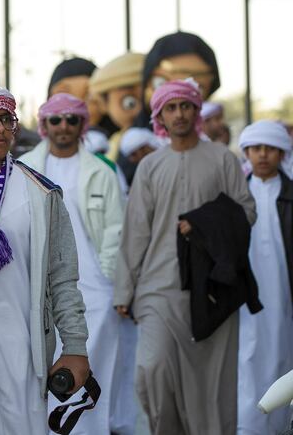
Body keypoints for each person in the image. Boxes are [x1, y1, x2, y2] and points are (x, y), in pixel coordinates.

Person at [0, 84, 89, 434]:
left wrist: (75, 346)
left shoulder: (40, 193)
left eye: (6, 119)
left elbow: (62, 276)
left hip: (23, 351)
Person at [115, 80, 256, 434]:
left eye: (186, 106)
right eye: (171, 107)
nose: (180, 113)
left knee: (212, 383)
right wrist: (124, 290)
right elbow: (135, 232)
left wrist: (203, 224)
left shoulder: (222, 158)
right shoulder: (150, 166)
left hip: (212, 287)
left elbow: (246, 211)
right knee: (153, 370)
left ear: (197, 111)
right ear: (159, 115)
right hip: (158, 287)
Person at [20, 93, 126, 434]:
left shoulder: (102, 171)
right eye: (56, 120)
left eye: (72, 119)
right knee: (41, 367)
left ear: (82, 125)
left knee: (92, 369)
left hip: (95, 287)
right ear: (44, 125)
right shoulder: (24, 168)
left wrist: (113, 279)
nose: (63, 126)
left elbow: (116, 229)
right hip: (41, 286)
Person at [237, 120, 293, 435]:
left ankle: (282, 425)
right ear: (246, 152)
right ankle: (249, 425)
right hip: (246, 293)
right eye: (256, 149)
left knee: (284, 352)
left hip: (284, 292)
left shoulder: (290, 192)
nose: (262, 155)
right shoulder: (236, 193)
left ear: (281, 152)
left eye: (269, 148)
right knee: (247, 355)